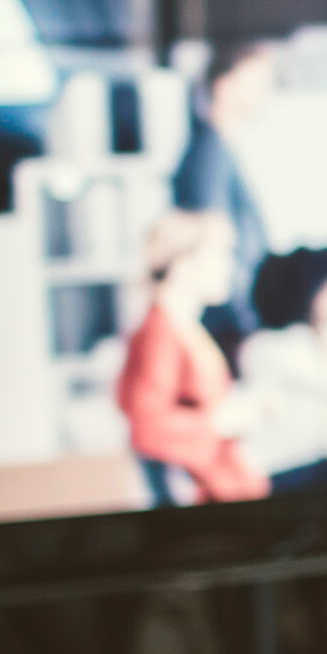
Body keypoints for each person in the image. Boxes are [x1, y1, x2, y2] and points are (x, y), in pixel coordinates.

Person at [115, 210, 265, 505]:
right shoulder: (159, 333)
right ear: (184, 263)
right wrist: (218, 422)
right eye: (219, 255)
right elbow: (146, 427)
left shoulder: (184, 326)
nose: (228, 267)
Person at [171, 39, 279, 357]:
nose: (266, 91)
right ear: (224, 85)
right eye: (256, 81)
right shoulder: (209, 153)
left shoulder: (220, 151)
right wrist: (243, 323)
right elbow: (209, 241)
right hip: (229, 329)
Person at [237, 245, 327, 495]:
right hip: (292, 474)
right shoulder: (272, 346)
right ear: (309, 291)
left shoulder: (316, 338)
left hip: (321, 467)